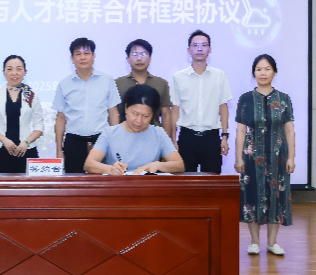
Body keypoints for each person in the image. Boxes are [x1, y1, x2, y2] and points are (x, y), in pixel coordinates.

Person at [235, 54, 295, 256]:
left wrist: (291, 157)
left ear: (274, 72)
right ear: (254, 72)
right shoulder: (245, 99)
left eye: (267, 69)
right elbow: (241, 131)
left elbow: (289, 130)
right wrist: (238, 158)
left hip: (278, 157)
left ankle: (272, 243)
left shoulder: (284, 99)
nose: (263, 73)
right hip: (252, 156)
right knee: (252, 195)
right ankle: (254, 242)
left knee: (275, 196)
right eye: (259, 69)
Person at [53, 37, 121, 174]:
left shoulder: (107, 80)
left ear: (93, 56)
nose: (82, 57)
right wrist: (59, 150)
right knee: (74, 181)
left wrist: (115, 142)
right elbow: (60, 118)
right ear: (72, 58)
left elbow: (113, 113)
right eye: (78, 54)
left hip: (101, 140)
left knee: (103, 181)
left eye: (86, 53)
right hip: (74, 141)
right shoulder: (64, 84)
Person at [169, 29, 233, 174]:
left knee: (212, 183)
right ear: (189, 50)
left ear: (209, 50)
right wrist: (174, 140)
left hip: (211, 138)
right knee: (184, 182)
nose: (199, 49)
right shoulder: (178, 77)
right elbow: (175, 109)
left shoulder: (219, 76)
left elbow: (223, 107)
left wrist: (224, 137)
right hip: (187, 138)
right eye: (195, 45)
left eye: (204, 45)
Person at [85, 84, 185, 175]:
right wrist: (110, 169)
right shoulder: (109, 133)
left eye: (146, 116)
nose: (139, 121)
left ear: (152, 115)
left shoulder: (158, 133)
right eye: (135, 114)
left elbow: (179, 165)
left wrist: (158, 165)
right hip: (117, 186)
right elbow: (89, 164)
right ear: (126, 108)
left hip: (147, 186)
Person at [0, 55, 45, 174]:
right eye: (9, 69)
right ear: (4, 72)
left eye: (19, 69)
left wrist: (26, 142)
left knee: (28, 185)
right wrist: (4, 140)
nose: (14, 73)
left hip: (26, 149)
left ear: (25, 72)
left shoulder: (31, 95)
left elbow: (39, 126)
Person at [115, 39, 173, 138]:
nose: (139, 58)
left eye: (144, 54)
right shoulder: (117, 84)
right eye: (134, 54)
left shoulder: (161, 83)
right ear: (128, 59)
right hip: (124, 137)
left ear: (150, 58)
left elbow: (166, 114)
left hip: (153, 138)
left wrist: (166, 141)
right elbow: (114, 114)